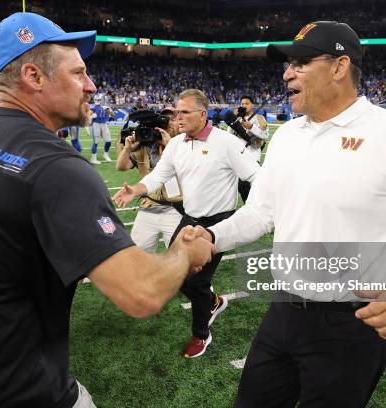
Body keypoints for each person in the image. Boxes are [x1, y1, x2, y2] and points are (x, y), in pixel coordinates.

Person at [0, 12, 213, 408]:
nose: (91, 86)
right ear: (33, 77)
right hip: (9, 390)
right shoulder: (56, 167)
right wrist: (184, 252)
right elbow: (140, 293)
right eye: (78, 73)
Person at [185, 21, 386, 407]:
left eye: (300, 63)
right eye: (287, 64)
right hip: (283, 311)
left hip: (351, 326)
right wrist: (212, 236)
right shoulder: (288, 136)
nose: (287, 72)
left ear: (340, 67)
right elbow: (261, 211)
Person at [113, 89, 260, 358]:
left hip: (218, 223)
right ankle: (214, 303)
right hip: (188, 219)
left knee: (200, 281)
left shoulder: (226, 142)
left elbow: (255, 175)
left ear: (202, 115)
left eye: (184, 112)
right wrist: (136, 189)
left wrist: (259, 208)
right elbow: (159, 175)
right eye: (177, 111)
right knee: (177, 275)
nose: (178, 117)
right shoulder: (177, 143)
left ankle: (201, 335)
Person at [115, 107, 183, 252]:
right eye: (165, 119)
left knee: (179, 256)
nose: (169, 122)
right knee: (137, 254)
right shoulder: (146, 143)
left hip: (176, 209)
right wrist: (127, 148)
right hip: (149, 205)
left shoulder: (185, 143)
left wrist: (170, 146)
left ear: (180, 121)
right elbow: (121, 167)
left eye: (172, 118)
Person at [226, 95, 269, 202]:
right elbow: (228, 134)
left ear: (252, 105)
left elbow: (265, 135)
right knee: (240, 186)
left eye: (247, 103)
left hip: (252, 156)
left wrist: (252, 127)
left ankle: (253, 207)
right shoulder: (238, 118)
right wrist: (234, 120)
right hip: (238, 156)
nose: (244, 106)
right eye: (242, 104)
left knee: (249, 186)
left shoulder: (259, 118)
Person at [89, 94, 113, 163]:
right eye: (96, 99)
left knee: (108, 141)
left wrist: (111, 112)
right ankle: (93, 158)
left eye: (99, 100)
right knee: (96, 142)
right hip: (96, 124)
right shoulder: (94, 107)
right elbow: (88, 114)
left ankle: (105, 154)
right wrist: (91, 116)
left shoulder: (106, 107)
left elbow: (112, 115)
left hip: (104, 124)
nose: (97, 101)